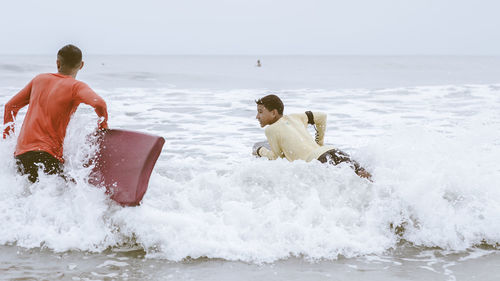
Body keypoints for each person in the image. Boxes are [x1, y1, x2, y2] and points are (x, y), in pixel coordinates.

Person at [3, 44, 108, 183]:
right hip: (47, 156)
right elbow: (99, 103)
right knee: (65, 193)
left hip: (21, 155)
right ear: (81, 65)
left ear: (58, 63)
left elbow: (10, 106)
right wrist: (103, 127)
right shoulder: (76, 87)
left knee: (26, 197)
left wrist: (8, 142)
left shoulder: (39, 80)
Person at [253, 94, 371, 179]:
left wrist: (260, 151)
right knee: (364, 177)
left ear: (273, 113)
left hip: (317, 162)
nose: (257, 116)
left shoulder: (271, 129)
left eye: (260, 112)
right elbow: (322, 117)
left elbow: (276, 158)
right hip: (333, 151)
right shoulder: (295, 117)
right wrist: (319, 142)